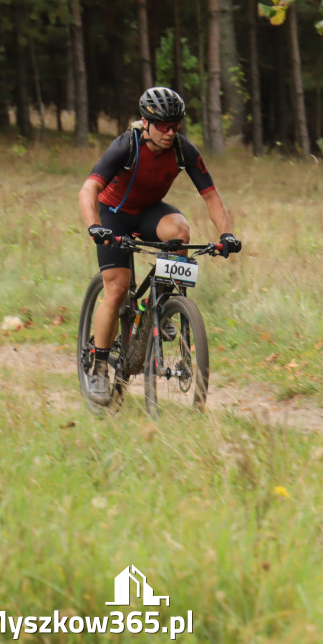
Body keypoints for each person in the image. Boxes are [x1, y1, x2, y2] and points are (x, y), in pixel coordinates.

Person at [77, 86, 242, 405]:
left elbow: (211, 195)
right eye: (163, 125)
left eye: (175, 125)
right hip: (113, 214)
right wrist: (94, 226)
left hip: (149, 210)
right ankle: (98, 366)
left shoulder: (183, 150)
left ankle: (162, 309)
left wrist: (226, 235)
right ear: (146, 122)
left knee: (179, 232)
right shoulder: (126, 146)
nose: (170, 132)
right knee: (118, 287)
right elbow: (89, 189)